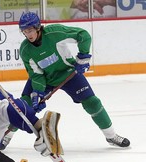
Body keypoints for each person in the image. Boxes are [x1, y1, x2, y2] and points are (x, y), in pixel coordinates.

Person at [16, 11, 129, 148]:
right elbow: (36, 74)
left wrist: (83, 56)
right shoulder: (25, 50)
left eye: (30, 30)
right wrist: (38, 93)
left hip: (68, 73)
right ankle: (4, 137)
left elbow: (83, 35)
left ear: (38, 27)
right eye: (24, 31)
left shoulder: (54, 33)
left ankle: (111, 136)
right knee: (23, 106)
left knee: (92, 103)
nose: (28, 35)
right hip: (45, 78)